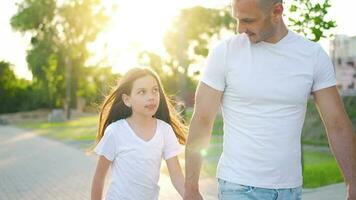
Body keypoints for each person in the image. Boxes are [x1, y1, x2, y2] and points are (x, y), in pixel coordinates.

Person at [184, 0, 356, 199]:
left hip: (290, 189)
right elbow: (202, 119)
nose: (240, 29)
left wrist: (353, 182)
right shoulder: (225, 53)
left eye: (248, 20)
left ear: (277, 11)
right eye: (237, 19)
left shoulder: (313, 56)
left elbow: (337, 124)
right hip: (238, 186)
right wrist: (190, 188)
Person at [91, 67, 186, 200]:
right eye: (142, 92)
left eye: (155, 90)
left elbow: (177, 176)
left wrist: (192, 196)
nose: (151, 97)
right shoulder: (115, 132)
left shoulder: (165, 131)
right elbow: (99, 178)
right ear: (127, 100)